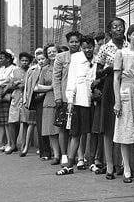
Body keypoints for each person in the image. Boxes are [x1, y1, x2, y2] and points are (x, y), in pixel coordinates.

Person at [93, 18, 128, 179]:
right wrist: (110, 68)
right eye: (115, 27)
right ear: (110, 31)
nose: (118, 29)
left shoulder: (129, 46)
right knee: (108, 126)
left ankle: (123, 164)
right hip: (109, 86)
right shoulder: (105, 48)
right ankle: (109, 165)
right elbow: (98, 73)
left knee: (124, 124)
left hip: (126, 85)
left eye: (121, 26)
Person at [57, 36, 97, 175]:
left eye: (90, 47)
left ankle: (91, 162)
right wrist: (70, 100)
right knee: (76, 133)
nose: (88, 50)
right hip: (79, 101)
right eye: (85, 47)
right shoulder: (76, 59)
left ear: (94, 47)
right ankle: (69, 165)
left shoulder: (97, 59)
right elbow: (71, 80)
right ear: (81, 47)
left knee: (93, 132)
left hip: (94, 101)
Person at [113, 24, 134, 183]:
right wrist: (117, 101)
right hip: (127, 91)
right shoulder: (121, 53)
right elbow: (116, 79)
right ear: (128, 36)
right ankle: (126, 167)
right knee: (126, 131)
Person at [53, 31, 82, 168]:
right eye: (72, 42)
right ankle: (64, 155)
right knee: (63, 127)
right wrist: (58, 97)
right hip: (65, 97)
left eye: (77, 41)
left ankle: (77, 156)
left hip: (80, 97)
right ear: (68, 43)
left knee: (77, 128)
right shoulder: (61, 57)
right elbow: (56, 78)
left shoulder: (84, 56)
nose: (74, 44)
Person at [24, 48, 49, 158]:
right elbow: (30, 87)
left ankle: (50, 151)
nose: (41, 61)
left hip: (48, 98)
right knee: (39, 126)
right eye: (39, 59)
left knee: (48, 126)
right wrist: (26, 99)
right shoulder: (33, 70)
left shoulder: (49, 69)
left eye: (43, 59)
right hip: (38, 99)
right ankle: (43, 151)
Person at [39, 44, 61, 164]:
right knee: (51, 130)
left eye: (54, 51)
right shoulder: (45, 69)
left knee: (61, 129)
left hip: (62, 98)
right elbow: (38, 86)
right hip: (49, 99)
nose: (52, 54)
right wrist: (51, 87)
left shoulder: (63, 65)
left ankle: (65, 154)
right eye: (49, 52)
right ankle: (56, 155)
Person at [7, 52, 31, 154]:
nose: (24, 62)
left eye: (26, 61)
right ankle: (13, 144)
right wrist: (15, 84)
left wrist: (24, 85)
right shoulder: (15, 71)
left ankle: (24, 145)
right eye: (22, 60)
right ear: (19, 61)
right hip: (16, 98)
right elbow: (9, 85)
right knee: (13, 122)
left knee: (25, 122)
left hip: (26, 98)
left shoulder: (31, 71)